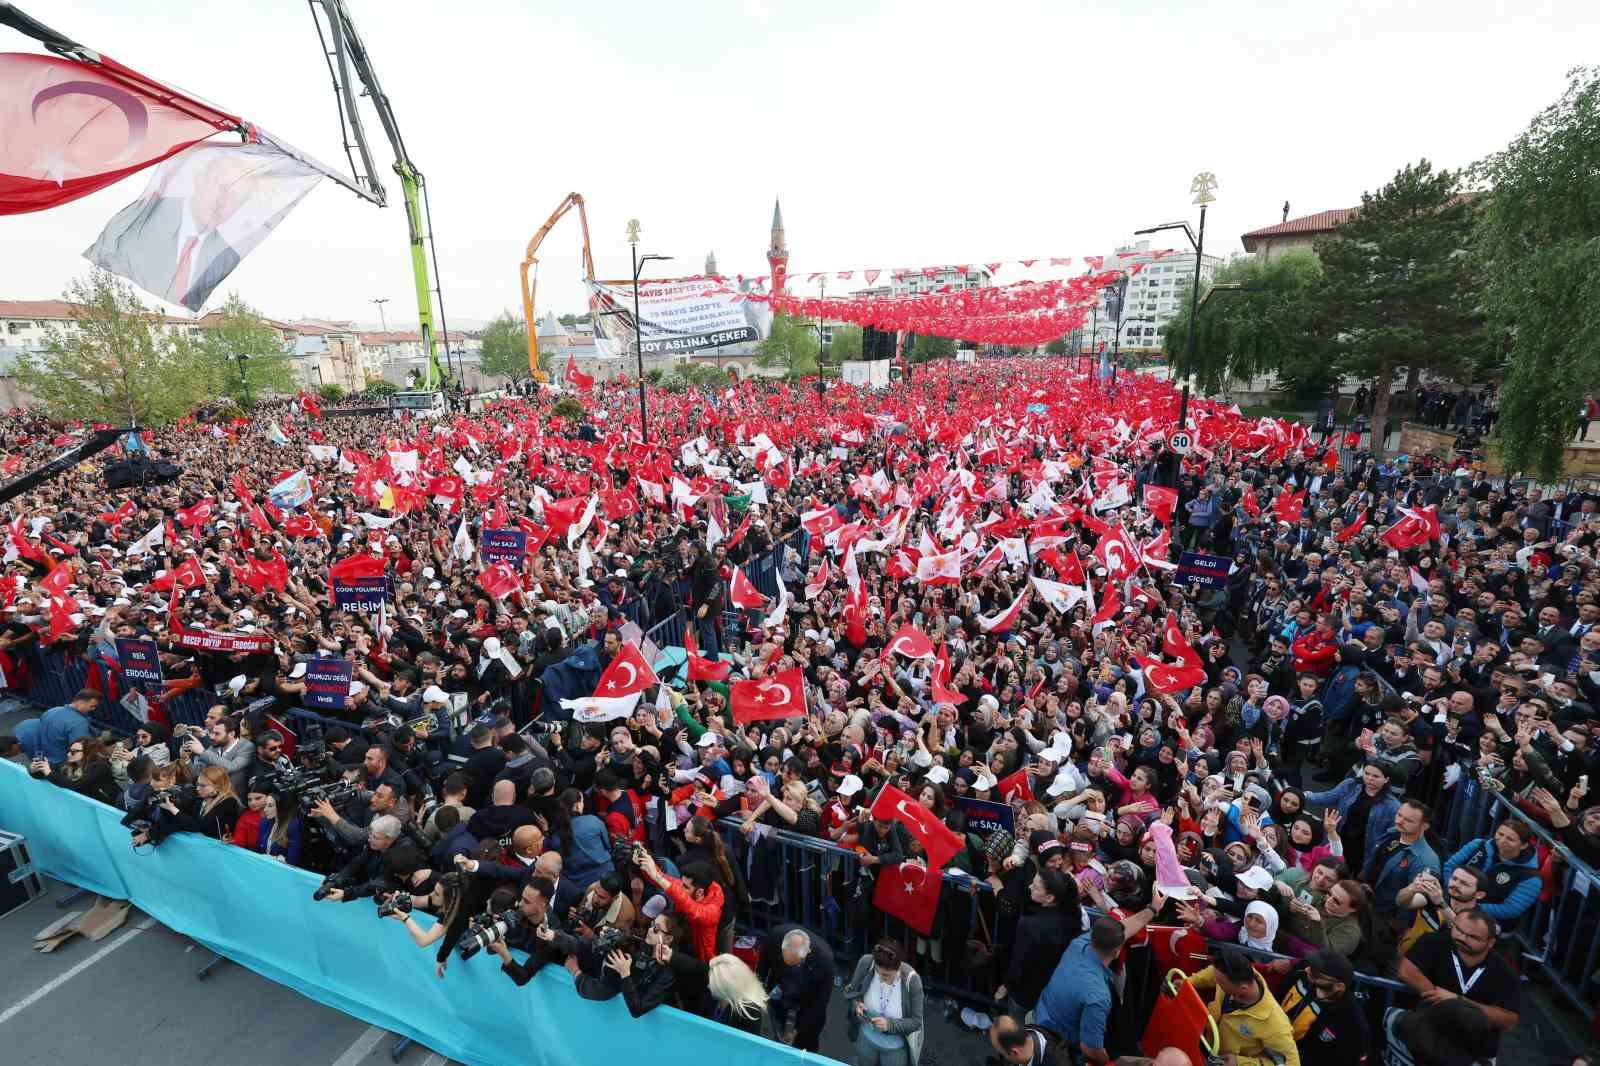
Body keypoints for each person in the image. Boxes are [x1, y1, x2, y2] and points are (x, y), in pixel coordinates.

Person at [1394, 908, 1519, 1057]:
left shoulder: (1504, 973)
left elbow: (1508, 1020)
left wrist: (1458, 1002)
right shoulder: (1434, 941)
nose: (1462, 938)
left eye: (1473, 937)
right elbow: (1406, 970)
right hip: (1425, 1029)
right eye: (1458, 930)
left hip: (1470, 1046)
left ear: (1490, 942)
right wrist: (1437, 996)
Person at [1184, 945, 1301, 1066]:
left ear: (1243, 989)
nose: (1216, 982)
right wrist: (1188, 983)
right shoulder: (1238, 974)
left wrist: (1240, 1062)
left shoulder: (1276, 1024)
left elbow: (1290, 1064)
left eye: (1220, 982)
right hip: (1206, 1046)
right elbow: (1215, 972)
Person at [1033, 916, 1123, 1066]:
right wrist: (1108, 1062)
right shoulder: (1098, 997)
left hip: (1039, 1019)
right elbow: (1090, 1048)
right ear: (1117, 952)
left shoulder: (1078, 944)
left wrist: (1151, 910)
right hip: (1058, 1049)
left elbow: (1117, 929)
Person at [1275, 949, 1370, 1066]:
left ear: (1339, 986)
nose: (1308, 970)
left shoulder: (1352, 1021)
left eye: (1316, 973)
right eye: (1310, 966)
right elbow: (1277, 998)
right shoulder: (1303, 974)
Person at [1440, 817, 1541, 923]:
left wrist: (1469, 906)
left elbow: (1511, 909)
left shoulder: (1531, 877)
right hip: (1451, 900)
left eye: (1510, 839)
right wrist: (1451, 892)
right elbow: (1449, 866)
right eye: (1500, 834)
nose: (1502, 840)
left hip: (1486, 921)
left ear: (1524, 845)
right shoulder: (1477, 844)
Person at [843, 938, 925, 1066]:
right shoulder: (866, 962)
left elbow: (916, 1022)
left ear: (898, 968)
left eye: (886, 976)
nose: (881, 979)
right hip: (865, 1038)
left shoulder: (913, 981)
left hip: (895, 1049)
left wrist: (889, 1025)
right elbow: (852, 991)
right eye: (877, 972)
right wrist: (856, 1005)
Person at [757, 924, 836, 1050]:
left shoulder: (824, 961)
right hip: (781, 989)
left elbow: (819, 1003)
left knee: (807, 1038)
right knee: (777, 1021)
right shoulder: (775, 937)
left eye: (793, 964)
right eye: (785, 962)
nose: (788, 967)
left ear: (806, 953)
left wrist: (798, 1031)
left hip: (809, 998)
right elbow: (762, 969)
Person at [29, 735, 119, 806]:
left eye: (73, 752)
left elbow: (75, 785)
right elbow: (54, 772)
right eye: (69, 751)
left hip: (110, 806)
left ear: (88, 751)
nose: (68, 754)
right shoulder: (73, 764)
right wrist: (36, 770)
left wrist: (49, 772)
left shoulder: (99, 767)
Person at [13, 688, 96, 764]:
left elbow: (38, 746)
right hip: (61, 762)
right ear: (81, 702)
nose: (93, 709)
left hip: (48, 758)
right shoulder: (79, 723)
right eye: (92, 706)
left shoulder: (52, 711)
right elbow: (81, 749)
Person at [707, 953, 773, 1037]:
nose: (709, 986)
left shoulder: (750, 1011)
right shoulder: (716, 999)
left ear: (728, 985)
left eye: (715, 983)